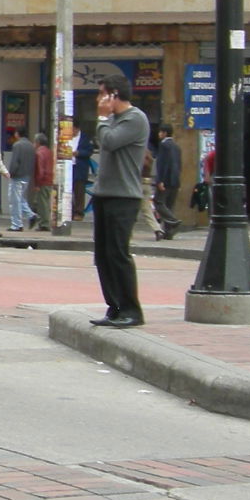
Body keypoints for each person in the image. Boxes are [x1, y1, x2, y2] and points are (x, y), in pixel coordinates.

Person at [88, 76, 149, 328]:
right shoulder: (113, 121)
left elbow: (110, 142)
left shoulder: (135, 119)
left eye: (101, 95)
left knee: (118, 253)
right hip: (104, 194)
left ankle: (131, 310)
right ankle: (114, 306)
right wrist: (105, 121)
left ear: (113, 96)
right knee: (102, 255)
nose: (98, 101)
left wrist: (102, 119)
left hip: (124, 196)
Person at [152, 123, 183, 240]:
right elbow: (179, 165)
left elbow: (162, 164)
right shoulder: (176, 146)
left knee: (158, 202)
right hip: (175, 180)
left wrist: (160, 180)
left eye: (160, 132)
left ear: (164, 133)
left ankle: (173, 221)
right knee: (169, 205)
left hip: (165, 180)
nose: (159, 134)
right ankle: (168, 232)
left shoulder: (164, 145)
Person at [4, 129, 37, 230]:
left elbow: (15, 162)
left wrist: (11, 173)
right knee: (20, 198)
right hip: (26, 176)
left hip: (17, 176)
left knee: (14, 200)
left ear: (17, 134)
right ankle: (31, 215)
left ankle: (17, 224)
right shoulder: (31, 146)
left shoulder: (17, 145)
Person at [31, 132, 55, 229]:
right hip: (50, 179)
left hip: (43, 181)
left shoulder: (39, 153)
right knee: (46, 202)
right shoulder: (49, 152)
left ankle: (44, 223)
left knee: (43, 204)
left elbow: (40, 170)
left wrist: (37, 184)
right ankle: (43, 222)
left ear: (37, 142)